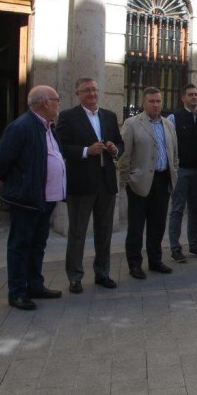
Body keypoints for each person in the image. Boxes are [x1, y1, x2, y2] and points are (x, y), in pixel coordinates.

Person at [0, 85, 65, 310]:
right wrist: (6, 180)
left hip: (46, 198)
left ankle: (35, 285)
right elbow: (2, 160)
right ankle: (17, 292)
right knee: (20, 245)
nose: (58, 104)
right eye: (56, 100)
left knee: (38, 244)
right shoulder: (22, 126)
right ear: (45, 103)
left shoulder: (48, 127)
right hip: (27, 198)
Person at [56, 77, 122, 294]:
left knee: (104, 231)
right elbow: (61, 147)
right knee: (78, 232)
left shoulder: (109, 116)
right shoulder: (67, 117)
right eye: (87, 91)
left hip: (106, 182)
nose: (92, 94)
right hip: (82, 184)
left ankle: (102, 272)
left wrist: (114, 148)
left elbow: (119, 143)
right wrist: (86, 151)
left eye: (94, 89)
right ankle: (75, 276)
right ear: (78, 94)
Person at [119, 87, 178, 279]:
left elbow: (174, 153)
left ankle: (155, 260)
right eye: (151, 101)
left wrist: (173, 171)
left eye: (158, 101)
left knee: (158, 224)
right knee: (136, 226)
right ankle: (134, 264)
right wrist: (128, 179)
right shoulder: (132, 123)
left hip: (163, 180)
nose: (155, 104)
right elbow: (124, 156)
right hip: (140, 182)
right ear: (144, 103)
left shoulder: (168, 125)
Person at [168, 83, 197, 262]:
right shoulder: (174, 118)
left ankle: (194, 244)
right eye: (190, 94)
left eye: (196, 94)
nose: (194, 97)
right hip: (182, 170)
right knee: (177, 209)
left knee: (195, 210)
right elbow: (169, 143)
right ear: (183, 98)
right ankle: (175, 248)